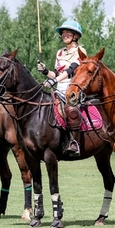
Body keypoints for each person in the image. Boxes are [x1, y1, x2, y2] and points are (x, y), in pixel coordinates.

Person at [37, 19, 87, 156]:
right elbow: (57, 73)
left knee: (70, 109)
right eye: (63, 33)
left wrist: (54, 81)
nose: (65, 35)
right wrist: (46, 72)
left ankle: (74, 142)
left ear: (75, 35)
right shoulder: (60, 53)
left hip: (74, 88)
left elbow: (71, 70)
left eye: (68, 32)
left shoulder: (80, 51)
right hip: (59, 87)